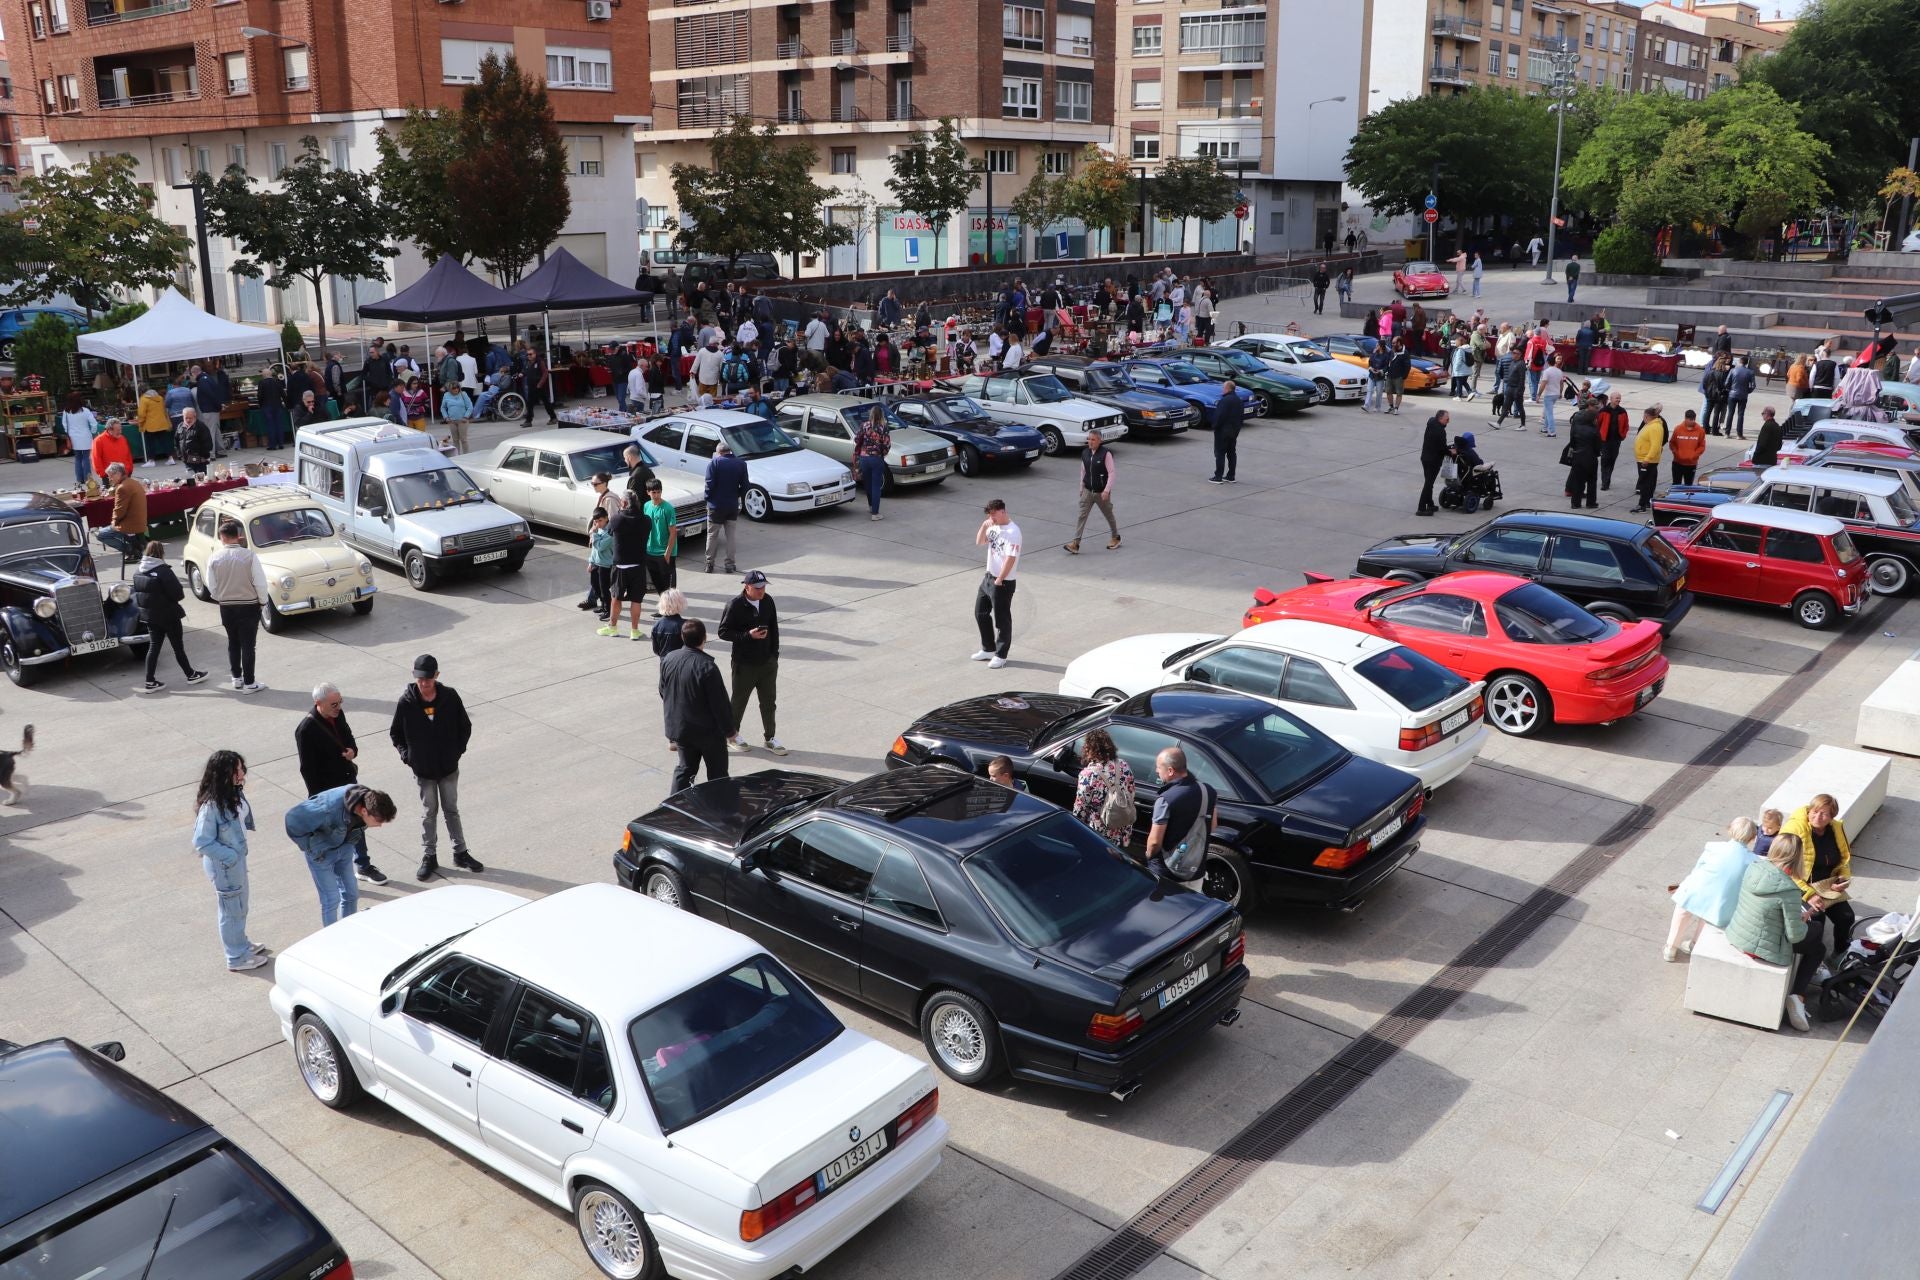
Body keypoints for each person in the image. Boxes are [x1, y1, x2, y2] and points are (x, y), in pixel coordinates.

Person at [390, 654, 481, 881]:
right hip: (423, 771)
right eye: (420, 679)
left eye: (428, 679)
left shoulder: (450, 697)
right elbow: (396, 733)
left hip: (448, 768)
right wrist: (408, 757)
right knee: (429, 813)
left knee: (451, 810)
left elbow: (465, 726)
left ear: (437, 676)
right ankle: (429, 856)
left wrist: (456, 751)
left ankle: (460, 852)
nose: (424, 683)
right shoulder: (406, 702)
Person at [1724, 832, 1821, 1032]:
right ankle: (1798, 996)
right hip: (1765, 948)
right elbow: (1795, 935)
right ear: (1797, 857)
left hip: (1740, 933)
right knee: (1818, 942)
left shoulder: (1754, 868)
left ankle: (1805, 984)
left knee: (1814, 935)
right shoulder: (1789, 890)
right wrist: (1802, 920)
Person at [296, 682, 390, 886]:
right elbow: (308, 769)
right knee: (335, 834)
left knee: (358, 824)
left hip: (348, 782)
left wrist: (352, 751)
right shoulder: (306, 730)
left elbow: (349, 737)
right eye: (334, 704)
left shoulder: (338, 715)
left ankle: (363, 865)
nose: (338, 707)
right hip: (328, 791)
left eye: (340, 702)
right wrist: (318, 799)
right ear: (318, 703)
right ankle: (338, 875)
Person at [193, 750, 268, 971]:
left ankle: (241, 944)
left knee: (241, 906)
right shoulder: (211, 806)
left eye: (242, 768)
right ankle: (236, 957)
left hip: (236, 861)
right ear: (224, 773)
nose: (242, 773)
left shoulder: (233, 793)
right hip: (224, 866)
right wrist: (231, 856)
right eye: (237, 770)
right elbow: (201, 842)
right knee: (231, 910)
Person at [284, 784, 396, 927]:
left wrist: (348, 845)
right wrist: (312, 847)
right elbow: (292, 819)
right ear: (364, 811)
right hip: (321, 855)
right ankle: (332, 937)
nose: (380, 825)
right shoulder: (327, 809)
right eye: (378, 821)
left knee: (351, 894)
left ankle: (347, 931)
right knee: (331, 899)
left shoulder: (368, 800)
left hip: (345, 848)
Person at [1666, 816, 1760, 961]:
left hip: (1695, 890)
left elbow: (1697, 869)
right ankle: (1694, 944)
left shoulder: (1713, 847)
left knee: (1682, 912)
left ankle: (1671, 948)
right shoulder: (1753, 861)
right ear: (1752, 837)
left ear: (1730, 829)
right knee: (1708, 917)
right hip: (1721, 901)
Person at [1780, 795, 1856, 961]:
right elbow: (1785, 868)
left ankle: (1840, 953)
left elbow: (1844, 859)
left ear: (1832, 817)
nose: (1817, 817)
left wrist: (1842, 878)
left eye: (1824, 814)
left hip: (1827, 886)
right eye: (1814, 811)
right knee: (1816, 922)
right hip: (1801, 886)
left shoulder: (1835, 828)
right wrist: (1808, 894)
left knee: (1847, 917)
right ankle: (1815, 959)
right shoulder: (1795, 829)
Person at [660, 619, 732, 791]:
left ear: (682, 637)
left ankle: (674, 803)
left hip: (680, 728)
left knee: (685, 769)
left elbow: (663, 691)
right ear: (704, 638)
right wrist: (730, 730)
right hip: (707, 733)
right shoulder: (707, 667)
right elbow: (719, 703)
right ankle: (720, 804)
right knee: (718, 774)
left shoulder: (669, 659)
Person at [719, 569, 784, 755]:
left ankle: (770, 738)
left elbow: (774, 629)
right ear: (746, 587)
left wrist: (774, 655)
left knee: (769, 702)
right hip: (744, 664)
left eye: (763, 586)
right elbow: (723, 632)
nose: (761, 590)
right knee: (739, 702)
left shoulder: (768, 601)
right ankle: (731, 736)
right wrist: (748, 635)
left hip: (767, 663)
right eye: (757, 587)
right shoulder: (735, 605)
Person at [132, 542, 205, 694]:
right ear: (161, 553)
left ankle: (150, 681)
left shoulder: (138, 572)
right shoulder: (164, 571)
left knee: (154, 647)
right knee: (178, 647)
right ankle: (191, 674)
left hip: (150, 617)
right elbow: (178, 594)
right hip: (169, 615)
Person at [207, 520, 267, 693]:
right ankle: (249, 683)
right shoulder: (249, 556)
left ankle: (236, 678)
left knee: (233, 643)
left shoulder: (214, 558)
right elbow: (260, 583)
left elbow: (211, 586)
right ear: (238, 536)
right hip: (248, 606)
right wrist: (262, 601)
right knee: (248, 645)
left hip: (226, 607)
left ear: (222, 537)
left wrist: (221, 598)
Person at [1142, 746, 1215, 883]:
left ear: (1170, 771)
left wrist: (1148, 855)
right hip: (1195, 870)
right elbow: (1213, 825)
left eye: (1159, 767)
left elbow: (1155, 843)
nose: (1157, 771)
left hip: (1166, 873)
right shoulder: (1208, 791)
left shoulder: (1165, 800)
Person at [972, 499, 1021, 669]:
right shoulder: (993, 526)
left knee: (1002, 620)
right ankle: (988, 649)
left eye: (994, 514)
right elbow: (980, 542)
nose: (991, 518)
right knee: (980, 613)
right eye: (989, 515)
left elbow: (1011, 558)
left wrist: (1000, 579)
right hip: (988, 578)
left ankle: (1001, 655)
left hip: (1003, 582)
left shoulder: (1013, 532)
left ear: (1003, 511)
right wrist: (984, 526)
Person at [598, 491, 651, 640]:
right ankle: (634, 631)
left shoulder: (617, 519)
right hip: (639, 565)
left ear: (625, 503)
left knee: (616, 597)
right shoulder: (646, 520)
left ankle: (612, 627)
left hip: (620, 566)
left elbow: (609, 531)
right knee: (636, 599)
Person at [1070, 728, 1137, 844]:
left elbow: (1081, 807)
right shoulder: (1123, 765)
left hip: (1099, 831)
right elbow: (1131, 792)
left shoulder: (1088, 775)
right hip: (1121, 826)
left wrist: (1075, 830)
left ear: (1089, 749)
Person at [1065, 428, 1119, 554]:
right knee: (1081, 516)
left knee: (1109, 515)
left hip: (1101, 492)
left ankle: (1115, 537)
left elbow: (1112, 473)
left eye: (1093, 440)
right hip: (1088, 491)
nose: (1090, 442)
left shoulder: (1106, 454)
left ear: (1100, 440)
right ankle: (1075, 544)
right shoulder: (1085, 453)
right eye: (1089, 439)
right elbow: (1083, 471)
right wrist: (1081, 487)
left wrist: (1106, 490)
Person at [705, 441, 748, 574]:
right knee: (730, 536)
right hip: (732, 506)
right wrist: (736, 495)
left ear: (719, 452)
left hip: (715, 506)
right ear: (730, 451)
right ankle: (729, 564)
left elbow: (709, 485)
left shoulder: (714, 463)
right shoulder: (741, 464)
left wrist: (707, 498)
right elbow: (746, 486)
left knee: (712, 535)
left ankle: (709, 564)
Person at [99, 462, 149, 560]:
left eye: (110, 476)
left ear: (118, 474)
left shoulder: (122, 488)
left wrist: (114, 522)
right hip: (140, 522)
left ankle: (132, 550)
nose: (109, 479)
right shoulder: (134, 482)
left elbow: (119, 510)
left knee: (101, 535)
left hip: (131, 525)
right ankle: (134, 548)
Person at [642, 477, 678, 606]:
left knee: (668, 586)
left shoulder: (668, 508)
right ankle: (664, 607)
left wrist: (667, 554)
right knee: (657, 582)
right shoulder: (646, 506)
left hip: (664, 553)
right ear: (648, 492)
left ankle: (671, 609)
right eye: (653, 492)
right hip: (650, 551)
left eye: (658, 492)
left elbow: (673, 532)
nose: (656, 495)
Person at [853, 405, 891, 521]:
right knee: (876, 486)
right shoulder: (883, 427)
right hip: (876, 459)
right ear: (881, 415)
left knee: (868, 484)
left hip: (864, 458)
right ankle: (875, 513)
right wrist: (882, 453)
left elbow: (856, 439)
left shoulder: (864, 425)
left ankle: (871, 506)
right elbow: (887, 444)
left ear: (871, 414)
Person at [1631, 406, 1668, 512]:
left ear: (1647, 416)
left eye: (1644, 415)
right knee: (1648, 482)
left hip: (1646, 461)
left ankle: (1642, 505)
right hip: (1645, 459)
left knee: (1645, 483)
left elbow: (1655, 446)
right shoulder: (1651, 425)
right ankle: (1646, 502)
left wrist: (1647, 458)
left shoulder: (1654, 427)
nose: (1643, 417)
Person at [60, 393, 98, 488]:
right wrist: (93, 432)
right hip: (85, 436)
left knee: (78, 458)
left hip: (73, 437)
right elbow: (94, 423)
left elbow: (64, 425)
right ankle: (88, 479)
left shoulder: (66, 412)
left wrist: (69, 433)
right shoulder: (85, 411)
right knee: (86, 458)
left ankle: (79, 479)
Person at [583, 507, 614, 619]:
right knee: (595, 585)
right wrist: (591, 562)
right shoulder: (598, 530)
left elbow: (600, 547)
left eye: (600, 521)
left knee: (604, 588)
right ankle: (603, 605)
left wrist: (594, 534)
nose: (598, 524)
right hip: (596, 563)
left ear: (606, 518)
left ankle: (608, 610)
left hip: (606, 565)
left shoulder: (610, 532)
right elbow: (594, 549)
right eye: (596, 521)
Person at [1210, 380, 1244, 483]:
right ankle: (1231, 476)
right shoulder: (1238, 400)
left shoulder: (1225, 400)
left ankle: (1218, 476)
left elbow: (1219, 416)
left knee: (1220, 453)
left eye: (1223, 387)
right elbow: (1241, 416)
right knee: (1231, 453)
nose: (1222, 389)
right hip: (1234, 431)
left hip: (1223, 431)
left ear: (1227, 388)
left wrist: (1214, 426)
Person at [1595, 391, 1629, 492]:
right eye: (1616, 398)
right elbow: (1597, 424)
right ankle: (1605, 482)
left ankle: (1607, 479)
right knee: (1605, 460)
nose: (1618, 400)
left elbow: (1626, 425)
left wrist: (1623, 435)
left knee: (1612, 460)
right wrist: (1598, 437)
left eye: (1619, 398)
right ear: (1611, 399)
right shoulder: (1604, 411)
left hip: (1616, 441)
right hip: (1605, 441)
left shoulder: (1622, 411)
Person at [1418, 410, 1449, 517]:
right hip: (1433, 461)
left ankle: (1430, 504)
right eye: (1447, 419)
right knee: (1428, 484)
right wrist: (1451, 452)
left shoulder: (1431, 422)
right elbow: (1442, 449)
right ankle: (1421, 509)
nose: (1448, 421)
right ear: (1440, 419)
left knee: (1429, 482)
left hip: (1425, 458)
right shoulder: (1440, 431)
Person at [136, 384, 173, 466]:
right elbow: (164, 411)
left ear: (141, 391)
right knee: (164, 442)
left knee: (150, 443)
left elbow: (142, 414)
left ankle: (151, 460)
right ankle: (170, 458)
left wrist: (140, 423)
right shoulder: (160, 398)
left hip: (150, 425)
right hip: (162, 423)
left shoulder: (143, 399)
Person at [1669, 409, 1706, 485]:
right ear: (1685, 418)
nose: (1693, 421)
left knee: (1689, 485)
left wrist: (1694, 455)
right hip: (1677, 463)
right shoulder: (1678, 429)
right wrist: (1676, 453)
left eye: (1694, 419)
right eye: (1690, 419)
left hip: (1691, 464)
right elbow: (1672, 443)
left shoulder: (1700, 431)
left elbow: (1702, 446)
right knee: (1676, 484)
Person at [1537, 355, 1567, 438]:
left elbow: (1543, 383)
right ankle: (1545, 428)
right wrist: (1560, 393)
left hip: (1549, 394)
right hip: (1556, 393)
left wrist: (1539, 394)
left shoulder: (1547, 371)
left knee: (1549, 413)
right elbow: (1561, 383)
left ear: (1547, 362)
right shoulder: (1559, 371)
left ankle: (1552, 431)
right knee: (1548, 411)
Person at [1726, 355, 1755, 440]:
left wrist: (1730, 390)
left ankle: (1727, 433)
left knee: (1730, 413)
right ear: (1747, 363)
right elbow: (1753, 385)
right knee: (1741, 414)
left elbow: (1727, 383)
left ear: (1739, 361)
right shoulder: (1750, 372)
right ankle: (1739, 434)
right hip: (1743, 395)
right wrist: (1747, 391)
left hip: (1732, 394)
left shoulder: (1733, 370)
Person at [180, 406, 214, 477]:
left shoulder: (201, 427)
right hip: (187, 461)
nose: (188, 420)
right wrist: (180, 455)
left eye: (190, 418)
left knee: (203, 479)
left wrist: (203, 457)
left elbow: (208, 444)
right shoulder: (180, 426)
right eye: (186, 418)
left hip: (200, 462)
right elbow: (176, 442)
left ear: (195, 416)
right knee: (191, 480)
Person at [440, 382, 474, 452]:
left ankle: (466, 455)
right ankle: (456, 455)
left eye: (457, 387)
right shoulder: (446, 395)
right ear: (450, 389)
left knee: (463, 439)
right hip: (452, 421)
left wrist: (466, 417)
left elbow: (470, 407)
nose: (456, 389)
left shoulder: (463, 394)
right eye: (453, 388)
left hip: (462, 420)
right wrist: (446, 417)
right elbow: (443, 408)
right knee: (455, 440)